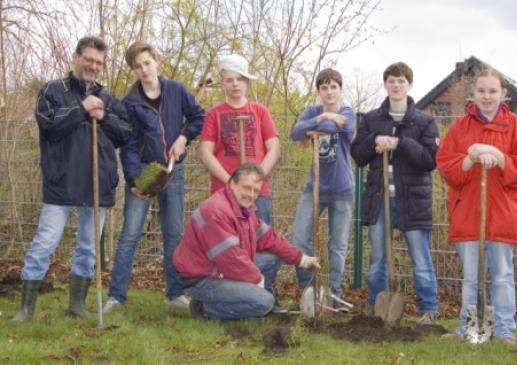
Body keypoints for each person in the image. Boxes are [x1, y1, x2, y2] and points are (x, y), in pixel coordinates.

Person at [11, 36, 131, 322]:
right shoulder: (53, 91)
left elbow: (126, 133)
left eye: (99, 62)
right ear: (75, 57)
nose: (93, 65)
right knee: (45, 243)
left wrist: (103, 117)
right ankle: (26, 309)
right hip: (61, 182)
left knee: (88, 247)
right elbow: (48, 125)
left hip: (98, 182)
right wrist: (82, 108)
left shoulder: (108, 99)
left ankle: (76, 305)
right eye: (88, 59)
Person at [436, 67, 517, 344]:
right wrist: (470, 159)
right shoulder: (460, 127)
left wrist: (498, 156)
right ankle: (468, 327)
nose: (487, 96)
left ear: (503, 94)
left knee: (503, 276)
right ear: (474, 93)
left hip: (503, 213)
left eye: (493, 91)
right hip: (468, 213)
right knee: (471, 277)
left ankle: (505, 330)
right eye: (481, 90)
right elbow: (446, 165)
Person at [103, 41, 205, 314]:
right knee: (129, 235)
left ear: (156, 60)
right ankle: (116, 297)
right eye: (138, 66)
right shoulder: (130, 103)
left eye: (147, 63)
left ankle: (174, 295)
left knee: (173, 234)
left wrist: (183, 138)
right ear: (133, 70)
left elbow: (198, 117)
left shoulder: (177, 90)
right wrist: (136, 181)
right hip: (146, 171)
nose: (144, 69)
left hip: (174, 169)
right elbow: (129, 145)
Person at [350, 62, 440, 325]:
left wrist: (400, 144)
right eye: (391, 80)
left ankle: (428, 311)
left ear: (409, 84)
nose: (396, 85)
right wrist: (373, 140)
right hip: (380, 200)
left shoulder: (424, 121)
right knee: (378, 258)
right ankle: (375, 306)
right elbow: (358, 155)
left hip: (413, 201)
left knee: (420, 257)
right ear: (386, 84)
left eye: (401, 81)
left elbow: (430, 160)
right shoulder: (372, 119)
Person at [172, 163, 321, 320]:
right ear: (232, 184)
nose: (251, 194)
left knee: (274, 257)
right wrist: (257, 279)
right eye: (246, 187)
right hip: (203, 279)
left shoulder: (243, 210)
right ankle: (205, 308)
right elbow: (232, 259)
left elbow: (270, 238)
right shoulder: (217, 212)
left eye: (255, 190)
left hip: (218, 268)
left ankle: (252, 300)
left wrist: (302, 259)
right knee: (264, 302)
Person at [289, 68, 355, 311]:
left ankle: (333, 295)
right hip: (313, 187)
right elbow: (294, 132)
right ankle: (310, 291)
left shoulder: (348, 113)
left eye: (333, 87)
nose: (329, 92)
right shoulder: (313, 112)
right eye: (324, 87)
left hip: (342, 190)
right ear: (318, 91)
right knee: (298, 238)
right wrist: (319, 120)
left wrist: (315, 128)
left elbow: (342, 127)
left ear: (340, 89)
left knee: (337, 246)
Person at [199, 54, 279, 225]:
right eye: (229, 80)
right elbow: (206, 153)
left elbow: (274, 149)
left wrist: (256, 179)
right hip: (224, 190)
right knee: (225, 244)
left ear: (247, 82)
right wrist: (231, 183)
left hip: (257, 191)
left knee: (261, 245)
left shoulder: (260, 112)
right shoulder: (214, 114)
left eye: (240, 79)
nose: (235, 84)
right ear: (222, 83)